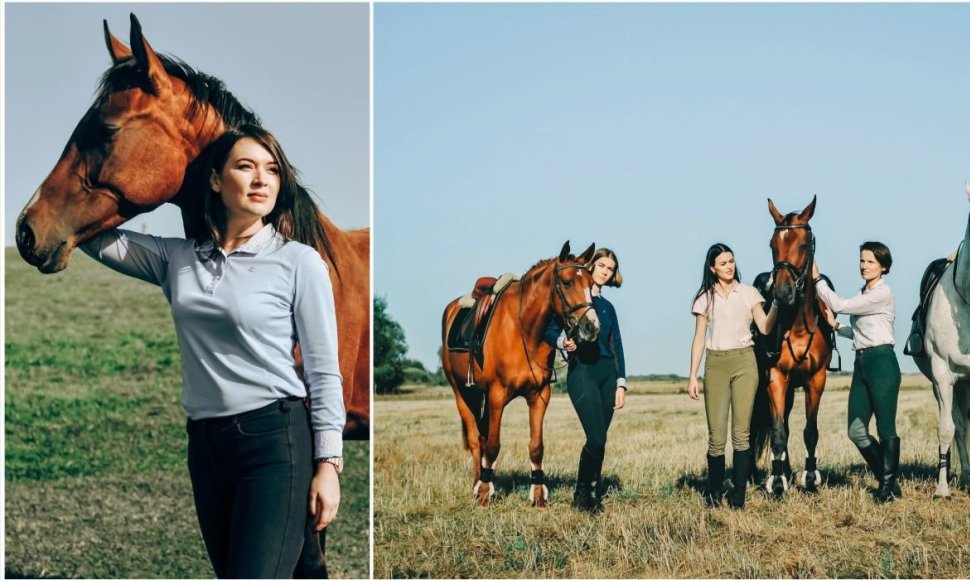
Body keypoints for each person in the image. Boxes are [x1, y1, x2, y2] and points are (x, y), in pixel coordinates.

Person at [80, 124, 345, 577]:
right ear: (216, 180)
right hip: (206, 446)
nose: (262, 179)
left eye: (272, 170)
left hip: (274, 441)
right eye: (246, 167)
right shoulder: (176, 259)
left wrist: (329, 464)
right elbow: (89, 233)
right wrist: (136, 179)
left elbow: (323, 372)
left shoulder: (298, 262)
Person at [687, 243, 777, 509]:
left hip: (744, 363)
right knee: (716, 437)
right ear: (713, 268)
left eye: (731, 261)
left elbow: (764, 326)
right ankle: (714, 493)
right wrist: (693, 375)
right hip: (715, 365)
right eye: (723, 263)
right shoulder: (706, 297)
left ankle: (738, 495)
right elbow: (699, 338)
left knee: (741, 434)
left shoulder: (749, 293)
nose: (729, 266)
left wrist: (776, 307)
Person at [812, 242, 901, 503]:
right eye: (862, 261)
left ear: (883, 266)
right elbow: (861, 331)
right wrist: (836, 326)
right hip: (861, 362)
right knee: (856, 430)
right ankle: (889, 479)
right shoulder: (864, 292)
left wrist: (817, 280)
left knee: (885, 429)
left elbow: (840, 303)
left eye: (870, 262)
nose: (864, 266)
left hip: (882, 362)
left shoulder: (882, 293)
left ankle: (886, 488)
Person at [543, 247, 627, 513]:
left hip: (607, 375)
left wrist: (621, 382)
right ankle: (581, 494)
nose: (605, 271)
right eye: (601, 265)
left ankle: (592, 493)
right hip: (582, 372)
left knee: (600, 438)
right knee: (596, 438)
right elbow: (549, 328)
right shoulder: (572, 298)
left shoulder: (608, 308)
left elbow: (617, 346)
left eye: (610, 268)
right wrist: (561, 340)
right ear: (590, 266)